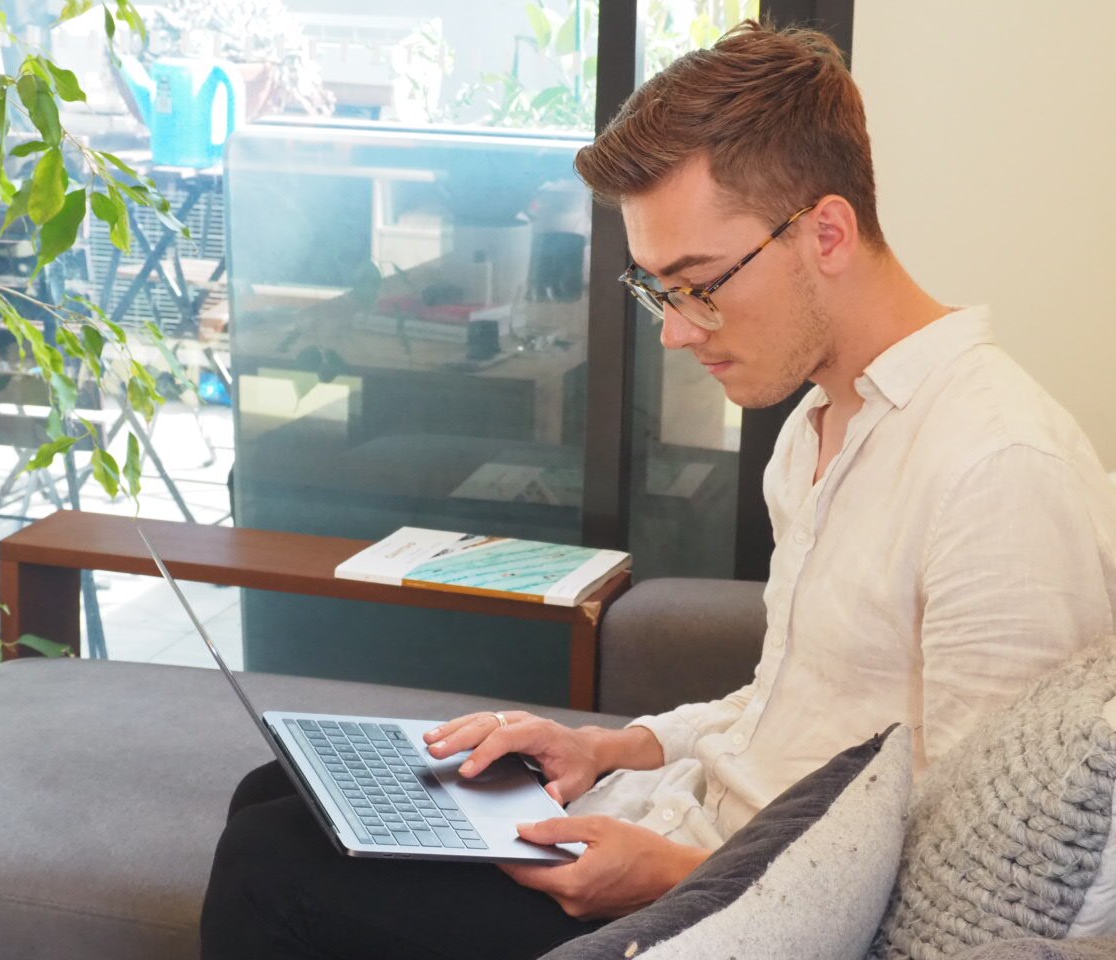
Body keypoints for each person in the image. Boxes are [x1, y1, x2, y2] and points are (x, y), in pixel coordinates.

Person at [200, 20, 1116, 960]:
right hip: (705, 840)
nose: (677, 333)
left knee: (271, 866)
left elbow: (975, 889)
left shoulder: (1000, 470)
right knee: (281, 797)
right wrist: (610, 748)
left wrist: (666, 877)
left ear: (827, 233)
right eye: (659, 290)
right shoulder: (816, 428)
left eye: (698, 284)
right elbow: (784, 703)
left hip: (744, 915)